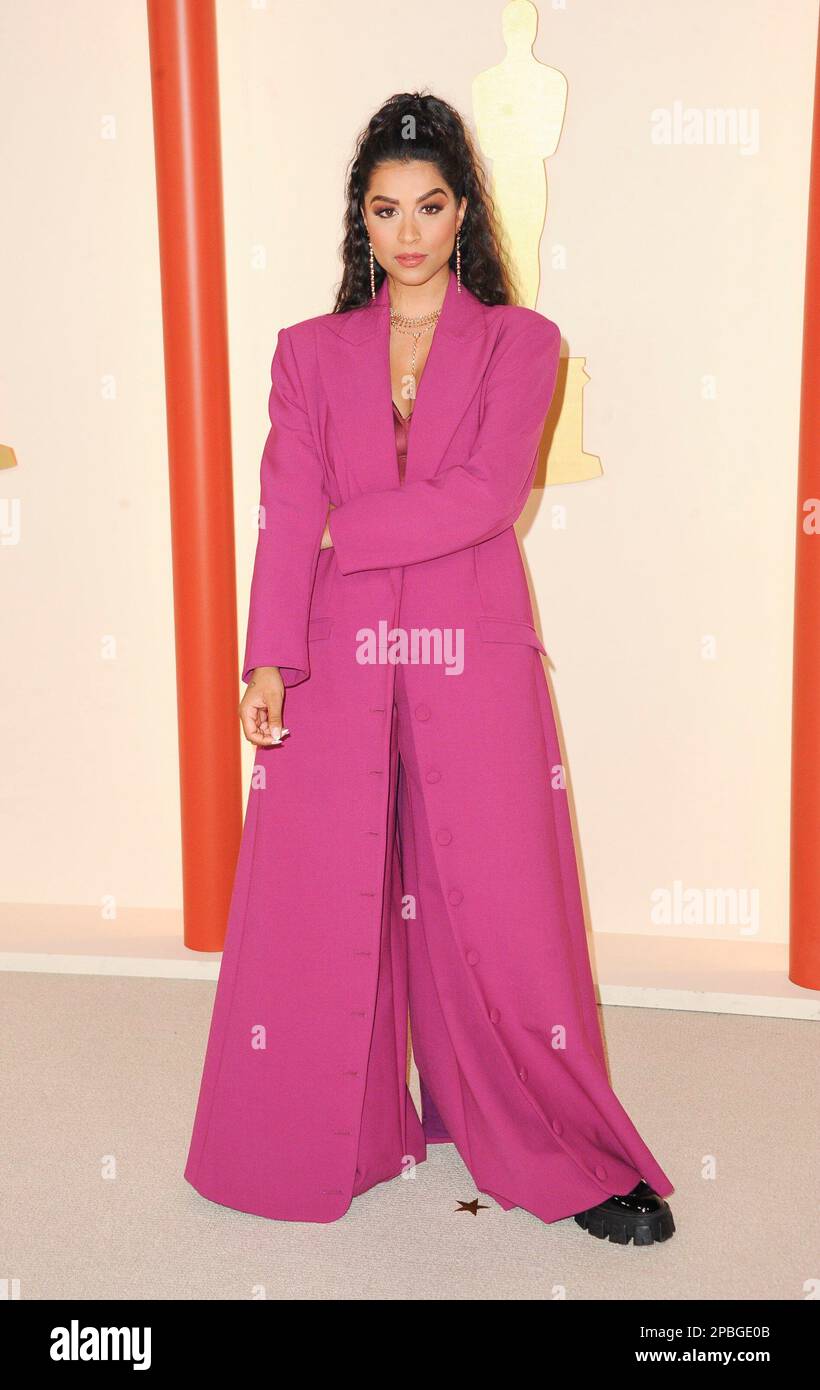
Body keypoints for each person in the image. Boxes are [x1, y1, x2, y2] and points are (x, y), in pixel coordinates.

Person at [184, 91, 676, 1248]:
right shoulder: (306, 354)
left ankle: (561, 1148)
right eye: (386, 208)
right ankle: (322, 1136)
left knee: (503, 911)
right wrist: (268, 659)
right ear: (361, 218)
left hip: (475, 663)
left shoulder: (522, 343)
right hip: (334, 664)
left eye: (431, 206)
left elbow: (484, 498)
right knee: (316, 907)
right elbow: (282, 505)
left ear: (463, 213)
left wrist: (335, 535)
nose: (408, 232)